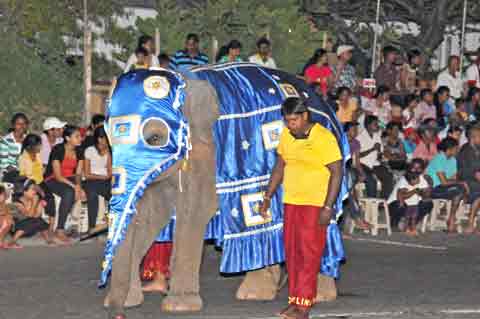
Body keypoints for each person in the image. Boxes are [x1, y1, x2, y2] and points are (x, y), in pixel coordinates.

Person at [259, 97, 343, 319]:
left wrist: (328, 207)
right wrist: (268, 196)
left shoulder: (323, 137)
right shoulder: (287, 135)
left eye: (294, 120)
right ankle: (295, 300)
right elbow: (280, 166)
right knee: (293, 253)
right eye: (287, 120)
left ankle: (304, 305)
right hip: (292, 201)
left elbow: (337, 172)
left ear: (305, 116)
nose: (290, 125)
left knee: (309, 254)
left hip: (315, 204)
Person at [44, 125, 86, 243]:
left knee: (86, 189)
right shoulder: (58, 149)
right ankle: (60, 229)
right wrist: (75, 187)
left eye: (80, 136)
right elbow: (57, 176)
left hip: (70, 178)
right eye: (77, 136)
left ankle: (74, 224)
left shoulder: (79, 150)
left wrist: (79, 186)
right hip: (53, 178)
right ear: (67, 138)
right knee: (69, 192)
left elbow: (78, 174)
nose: (80, 139)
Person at [426, 137, 467, 233]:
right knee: (460, 189)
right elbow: (444, 182)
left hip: (445, 188)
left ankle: (451, 219)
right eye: (456, 148)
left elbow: (453, 179)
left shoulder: (453, 160)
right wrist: (460, 183)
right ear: (450, 149)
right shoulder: (439, 158)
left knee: (460, 189)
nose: (458, 150)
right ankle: (452, 219)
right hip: (433, 189)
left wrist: (461, 183)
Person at [18, 134, 56, 233]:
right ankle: (31, 226)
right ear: (31, 146)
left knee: (50, 198)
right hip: (29, 183)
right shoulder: (23, 158)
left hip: (40, 181)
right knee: (39, 197)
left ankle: (51, 227)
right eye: (38, 145)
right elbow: (24, 176)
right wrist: (38, 188)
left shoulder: (37, 154)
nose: (40, 147)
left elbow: (41, 169)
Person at [388, 162, 432, 236]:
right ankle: (396, 223)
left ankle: (411, 226)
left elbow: (426, 195)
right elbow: (400, 195)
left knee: (428, 204)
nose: (416, 170)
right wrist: (414, 191)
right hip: (397, 205)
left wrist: (428, 187)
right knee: (401, 205)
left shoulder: (421, 178)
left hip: (414, 205)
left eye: (419, 168)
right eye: (414, 168)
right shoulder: (406, 178)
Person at [8, 178, 52, 248]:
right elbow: (29, 216)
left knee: (39, 220)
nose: (35, 191)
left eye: (35, 189)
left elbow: (37, 216)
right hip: (17, 229)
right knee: (29, 221)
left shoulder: (35, 198)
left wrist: (40, 205)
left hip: (30, 231)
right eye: (32, 189)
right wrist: (34, 203)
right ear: (23, 191)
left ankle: (48, 240)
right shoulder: (17, 203)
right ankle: (12, 242)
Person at [357, 115, 394, 199]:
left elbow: (379, 152)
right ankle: (372, 201)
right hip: (363, 164)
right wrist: (372, 149)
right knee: (371, 180)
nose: (377, 125)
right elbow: (358, 155)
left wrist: (380, 156)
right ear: (368, 125)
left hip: (375, 164)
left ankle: (383, 200)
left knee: (388, 175)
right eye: (375, 124)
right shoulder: (359, 138)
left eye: (377, 123)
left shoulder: (377, 136)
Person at [83, 127, 111, 233]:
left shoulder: (109, 150)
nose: (108, 140)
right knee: (92, 195)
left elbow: (109, 170)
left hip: (104, 180)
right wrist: (102, 177)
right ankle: (91, 227)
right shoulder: (90, 150)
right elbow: (87, 173)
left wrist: (106, 177)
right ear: (99, 139)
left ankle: (110, 224)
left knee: (115, 195)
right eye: (106, 138)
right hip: (90, 180)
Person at [343, 122, 371, 231]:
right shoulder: (340, 141)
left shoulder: (355, 143)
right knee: (350, 193)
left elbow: (357, 162)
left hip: (348, 169)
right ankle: (358, 218)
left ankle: (358, 217)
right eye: (353, 129)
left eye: (356, 129)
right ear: (347, 131)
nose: (356, 131)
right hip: (339, 169)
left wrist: (362, 173)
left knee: (352, 191)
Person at [456, 123, 480, 234]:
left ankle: (475, 226)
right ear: (473, 137)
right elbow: (476, 174)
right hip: (467, 183)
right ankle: (471, 224)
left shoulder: (476, 149)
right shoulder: (467, 151)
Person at [0, 113, 29, 179]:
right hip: (8, 174)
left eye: (24, 124)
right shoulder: (5, 141)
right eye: (18, 124)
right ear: (13, 125)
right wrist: (20, 173)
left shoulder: (29, 140)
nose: (22, 126)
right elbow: (4, 164)